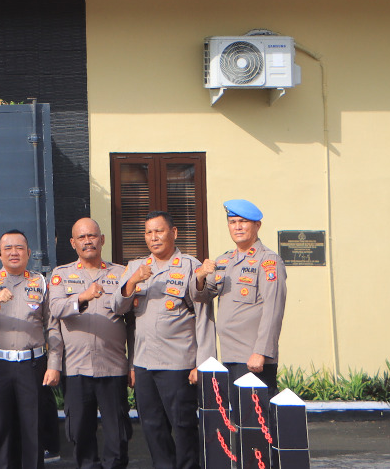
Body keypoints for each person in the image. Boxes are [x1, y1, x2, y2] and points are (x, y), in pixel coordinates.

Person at [127, 212, 214, 469]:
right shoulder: (136, 267)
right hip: (144, 362)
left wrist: (203, 363)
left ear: (174, 233)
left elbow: (204, 316)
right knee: (152, 427)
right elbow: (118, 308)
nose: (154, 237)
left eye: (159, 231)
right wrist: (133, 280)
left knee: (184, 425)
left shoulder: (190, 266)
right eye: (148, 233)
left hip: (179, 363)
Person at [48, 219, 130, 469]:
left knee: (118, 432)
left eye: (92, 236)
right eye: (81, 238)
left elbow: (135, 323)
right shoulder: (61, 275)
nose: (88, 241)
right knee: (80, 431)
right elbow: (55, 310)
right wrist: (82, 297)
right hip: (76, 367)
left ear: (102, 239)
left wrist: (134, 364)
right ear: (73, 243)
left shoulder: (121, 273)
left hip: (113, 366)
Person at [0, 231, 60, 469]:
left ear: (28, 253)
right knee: (0, 428)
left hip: (32, 365)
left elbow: (51, 326)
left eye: (20, 248)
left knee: (32, 428)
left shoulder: (40, 281)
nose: (14, 252)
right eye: (9, 248)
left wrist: (53, 364)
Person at [193, 199, 287, 397]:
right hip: (229, 355)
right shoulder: (224, 261)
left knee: (258, 418)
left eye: (243, 221)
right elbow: (203, 296)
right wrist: (200, 275)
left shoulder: (268, 261)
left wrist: (260, 352)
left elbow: (273, 310)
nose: (237, 227)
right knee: (239, 417)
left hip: (253, 358)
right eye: (232, 222)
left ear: (257, 225)